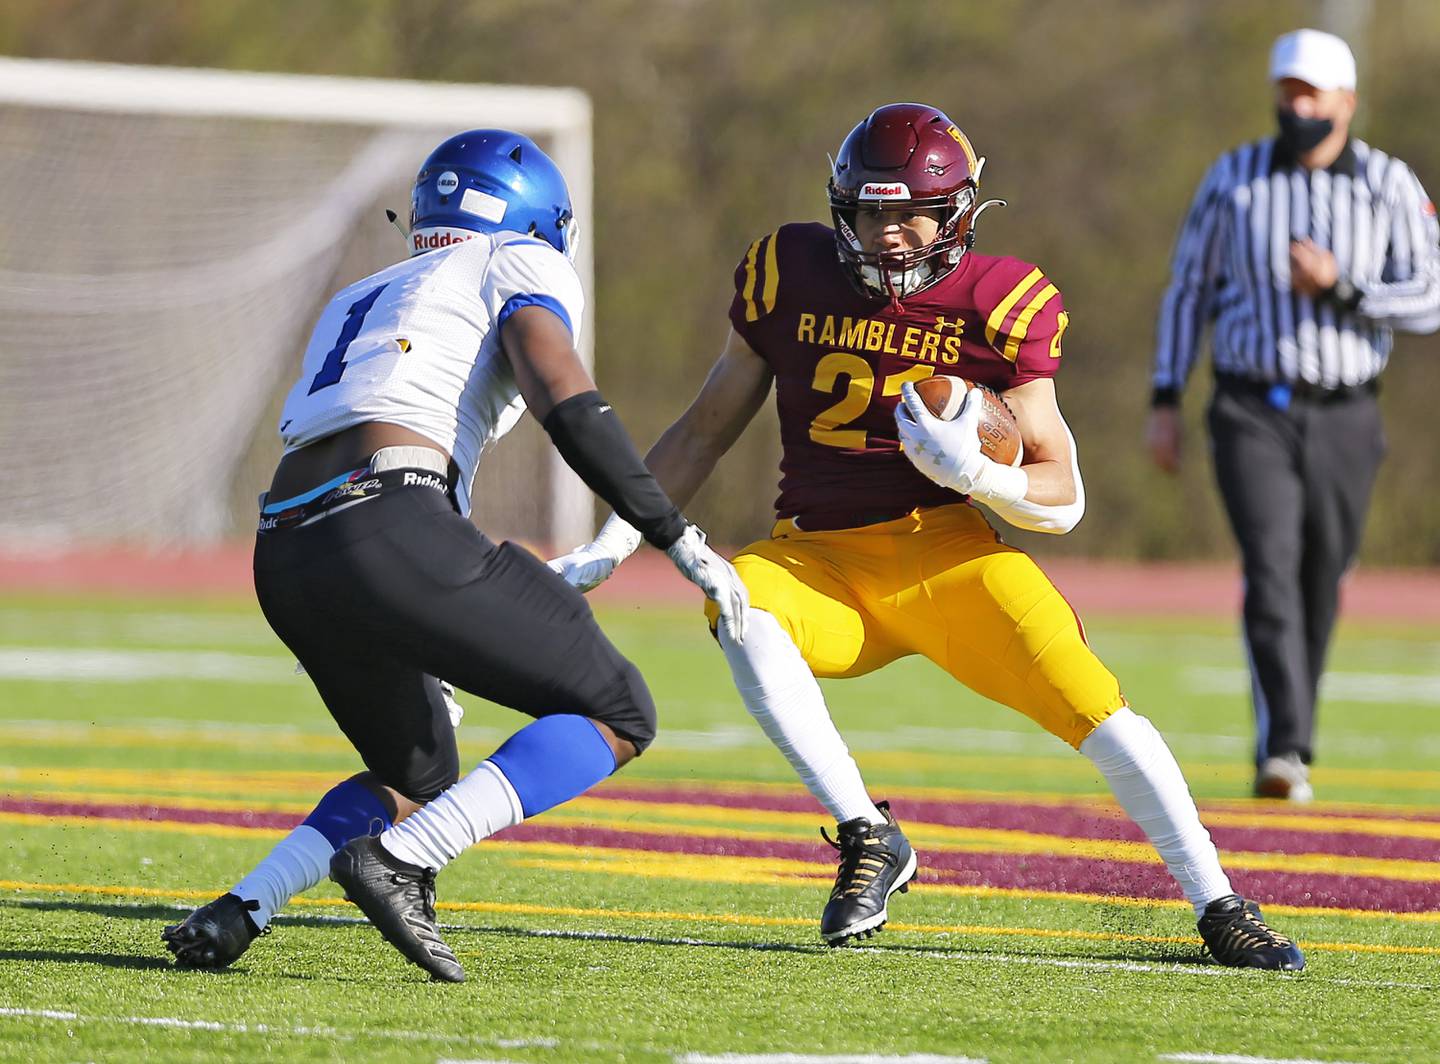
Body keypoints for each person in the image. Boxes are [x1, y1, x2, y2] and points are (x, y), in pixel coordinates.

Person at [544, 102, 1306, 970]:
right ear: (843, 210)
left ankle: (1218, 901)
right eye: (872, 212)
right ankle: (868, 833)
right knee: (739, 597)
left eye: (911, 213)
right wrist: (618, 536)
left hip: (948, 554)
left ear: (958, 214)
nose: (892, 235)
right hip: (819, 558)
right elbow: (704, 427)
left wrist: (976, 473)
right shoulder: (786, 269)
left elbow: (1063, 499)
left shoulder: (999, 299)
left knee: (1102, 712)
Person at [162, 129, 746, 983]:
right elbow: (563, 397)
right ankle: (405, 862)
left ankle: (242, 907)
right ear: (540, 221)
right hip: (387, 522)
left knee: (417, 768)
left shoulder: (365, 293)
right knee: (620, 711)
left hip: (286, 545)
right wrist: (674, 533)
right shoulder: (517, 258)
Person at [1147, 29, 1440, 802]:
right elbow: (1188, 289)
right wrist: (1165, 397)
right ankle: (1284, 747)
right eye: (1287, 92)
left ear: (1346, 101)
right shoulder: (1234, 179)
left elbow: (1432, 294)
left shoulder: (1385, 182)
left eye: (1311, 94)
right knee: (1271, 565)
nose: (1297, 106)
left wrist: (1346, 287)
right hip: (1251, 405)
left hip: (1346, 411)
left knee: (1321, 573)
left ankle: (1289, 738)